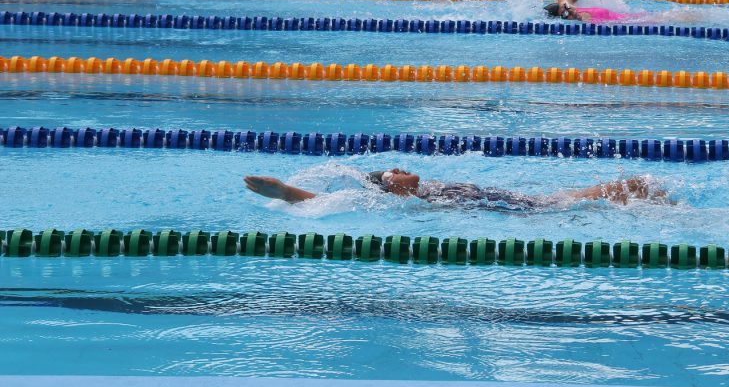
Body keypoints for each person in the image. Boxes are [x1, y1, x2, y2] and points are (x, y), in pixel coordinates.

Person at [245, 169, 670, 210]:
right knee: (636, 186)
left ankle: (665, 207)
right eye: (395, 173)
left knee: (638, 186)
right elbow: (326, 202)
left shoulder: (418, 192)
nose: (403, 170)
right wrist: (284, 191)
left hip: (516, 201)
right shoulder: (398, 195)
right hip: (525, 209)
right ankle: (666, 208)